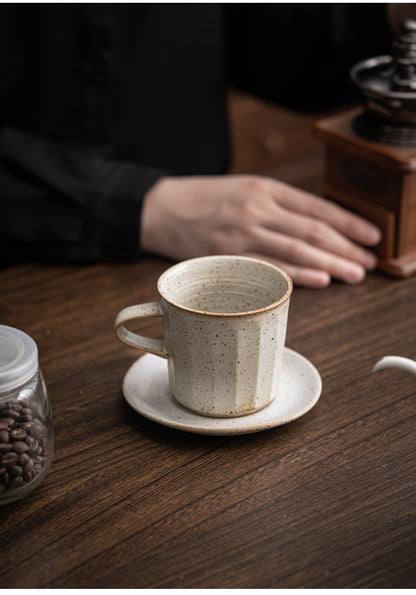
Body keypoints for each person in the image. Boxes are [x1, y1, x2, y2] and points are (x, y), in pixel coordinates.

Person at [0, 4, 393, 287]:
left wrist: (392, 14)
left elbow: (274, 39)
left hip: (215, 250)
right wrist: (139, 204)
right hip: (23, 273)